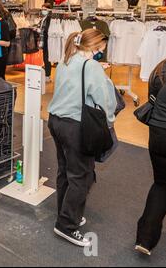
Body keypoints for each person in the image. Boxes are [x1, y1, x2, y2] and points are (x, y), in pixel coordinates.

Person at [47, 28, 117, 247]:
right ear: (96, 46)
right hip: (75, 126)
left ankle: (67, 213)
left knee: (65, 171)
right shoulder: (92, 66)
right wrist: (110, 121)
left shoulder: (66, 59)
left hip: (55, 121)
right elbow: (103, 101)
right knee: (82, 176)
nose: (102, 52)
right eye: (101, 48)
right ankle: (66, 225)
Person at [135, 58, 166, 256]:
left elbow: (152, 100)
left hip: (158, 134)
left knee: (162, 185)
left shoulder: (160, 68)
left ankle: (145, 239)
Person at [39, 3, 52, 82]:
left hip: (47, 40)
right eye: (42, 9)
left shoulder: (49, 18)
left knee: (47, 58)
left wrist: (39, 30)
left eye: (45, 9)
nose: (43, 11)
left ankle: (48, 75)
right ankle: (47, 74)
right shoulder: (43, 18)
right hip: (44, 40)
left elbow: (47, 30)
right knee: (45, 57)